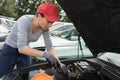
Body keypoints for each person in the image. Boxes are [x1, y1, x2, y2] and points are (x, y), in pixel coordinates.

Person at [0, 2, 62, 78]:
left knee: (25, 75)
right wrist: (45, 54)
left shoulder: (45, 28)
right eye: (48, 22)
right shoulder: (24, 20)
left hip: (25, 51)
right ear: (39, 15)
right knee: (3, 75)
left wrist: (59, 62)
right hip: (10, 49)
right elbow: (21, 48)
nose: (50, 25)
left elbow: (50, 47)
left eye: (52, 23)